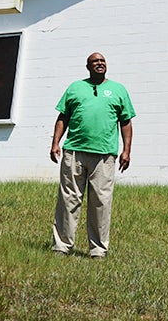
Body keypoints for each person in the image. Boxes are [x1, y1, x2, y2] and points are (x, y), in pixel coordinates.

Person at [50, 52, 135, 258]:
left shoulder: (118, 90)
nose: (100, 64)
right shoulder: (75, 88)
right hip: (74, 151)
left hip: (105, 155)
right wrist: (55, 143)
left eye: (103, 61)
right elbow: (63, 116)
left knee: (101, 202)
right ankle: (62, 246)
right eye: (95, 61)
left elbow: (126, 122)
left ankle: (98, 250)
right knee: (68, 199)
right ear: (88, 66)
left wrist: (126, 150)